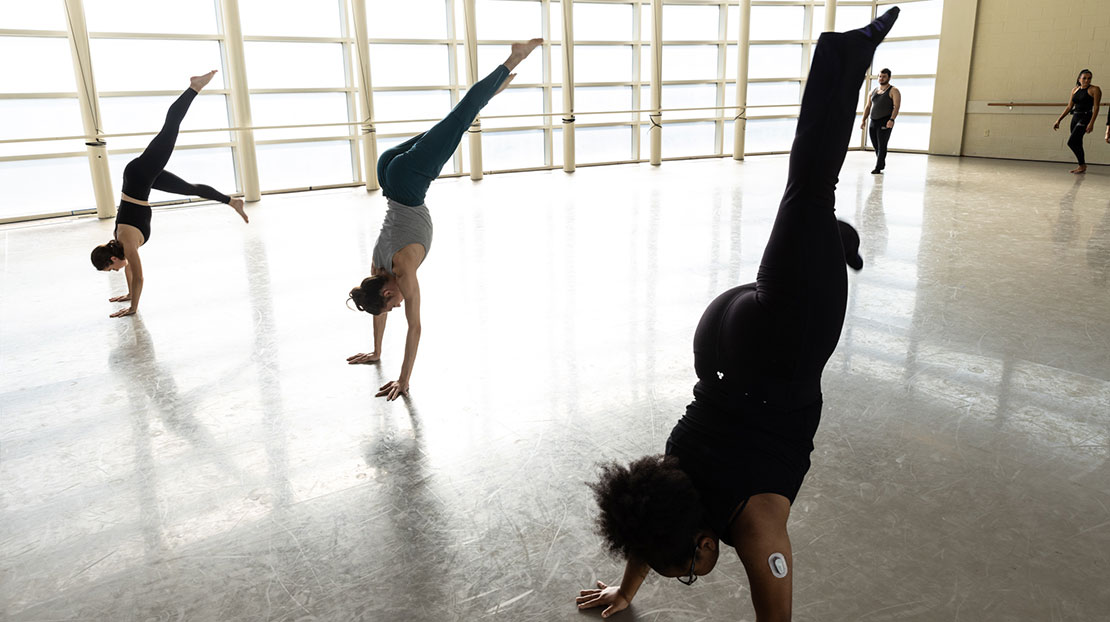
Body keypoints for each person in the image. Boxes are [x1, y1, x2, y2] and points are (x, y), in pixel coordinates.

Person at [575, 8, 898, 620]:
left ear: (703, 545)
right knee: (808, 230)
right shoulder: (667, 483)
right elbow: (650, 528)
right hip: (722, 339)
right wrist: (626, 589)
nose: (691, 576)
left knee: (810, 186)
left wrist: (631, 586)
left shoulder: (754, 530)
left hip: (778, 350)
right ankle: (834, 241)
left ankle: (843, 57)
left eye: (688, 576)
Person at [346, 38, 543, 401]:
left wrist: (404, 380)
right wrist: (376, 352)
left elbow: (415, 328)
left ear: (389, 291)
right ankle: (491, 93)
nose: (397, 304)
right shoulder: (376, 269)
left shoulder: (402, 271)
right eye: (392, 305)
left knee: (459, 119)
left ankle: (514, 57)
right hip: (387, 172)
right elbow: (380, 310)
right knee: (455, 122)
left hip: (409, 180)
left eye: (393, 302)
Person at [90, 70, 248, 318]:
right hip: (139, 180)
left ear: (112, 257)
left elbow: (139, 276)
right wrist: (129, 294)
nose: (116, 272)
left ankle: (194, 87)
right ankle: (232, 201)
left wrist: (133, 307)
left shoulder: (127, 242)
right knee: (190, 189)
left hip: (141, 175)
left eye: (111, 269)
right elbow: (130, 268)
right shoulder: (122, 246)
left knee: (170, 127)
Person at [1053, 69, 1101, 174]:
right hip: (1075, 117)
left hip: (1086, 116)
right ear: (1079, 79)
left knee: (1071, 142)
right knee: (1077, 142)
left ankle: (1082, 165)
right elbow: (1069, 106)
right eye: (1084, 78)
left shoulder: (1094, 89)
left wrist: (1091, 123)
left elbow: (1096, 108)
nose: (1087, 80)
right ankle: (1081, 165)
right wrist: (1059, 120)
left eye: (1089, 78)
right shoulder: (1074, 90)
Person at [860, 67, 900, 174]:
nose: (881, 78)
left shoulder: (893, 91)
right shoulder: (873, 91)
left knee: (882, 145)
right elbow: (868, 106)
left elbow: (896, 107)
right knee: (875, 144)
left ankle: (878, 167)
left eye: (884, 77)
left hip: (885, 120)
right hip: (873, 121)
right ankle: (881, 162)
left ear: (889, 78)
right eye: (880, 76)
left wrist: (891, 119)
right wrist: (863, 120)